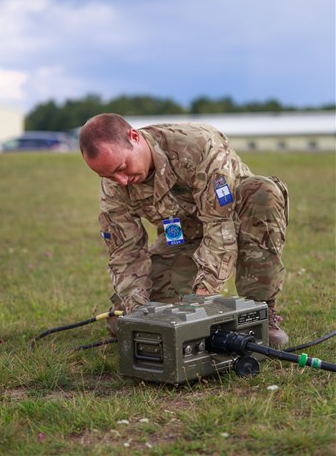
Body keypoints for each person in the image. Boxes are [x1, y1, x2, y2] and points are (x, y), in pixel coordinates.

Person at [79, 113, 289, 348]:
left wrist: (201, 300)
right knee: (123, 321)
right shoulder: (113, 184)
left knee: (262, 191)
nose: (122, 181)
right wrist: (138, 309)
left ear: (134, 137)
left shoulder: (197, 145)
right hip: (182, 239)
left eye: (123, 168)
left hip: (234, 222)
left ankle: (261, 312)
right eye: (108, 175)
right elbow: (124, 252)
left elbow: (220, 227)